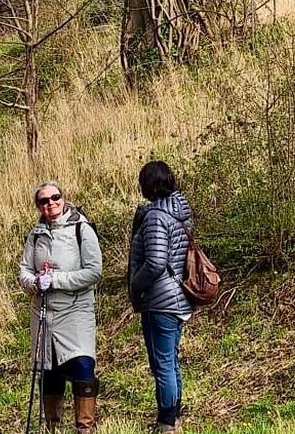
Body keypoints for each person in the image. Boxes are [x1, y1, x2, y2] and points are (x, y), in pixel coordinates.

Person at [18, 182, 103, 434]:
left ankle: (84, 428)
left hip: (76, 311)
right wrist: (34, 282)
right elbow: (24, 270)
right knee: (49, 370)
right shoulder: (35, 234)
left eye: (55, 197)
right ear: (39, 206)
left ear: (63, 199)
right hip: (43, 312)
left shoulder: (82, 229)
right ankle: (52, 427)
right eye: (44, 200)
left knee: (83, 367)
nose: (51, 203)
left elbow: (94, 271)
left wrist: (56, 279)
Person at [128, 161, 194, 433]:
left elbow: (155, 262)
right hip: (178, 296)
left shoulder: (156, 216)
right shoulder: (180, 212)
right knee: (170, 359)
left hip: (161, 300)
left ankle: (166, 422)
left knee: (162, 362)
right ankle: (174, 416)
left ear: (147, 185)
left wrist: (135, 284)